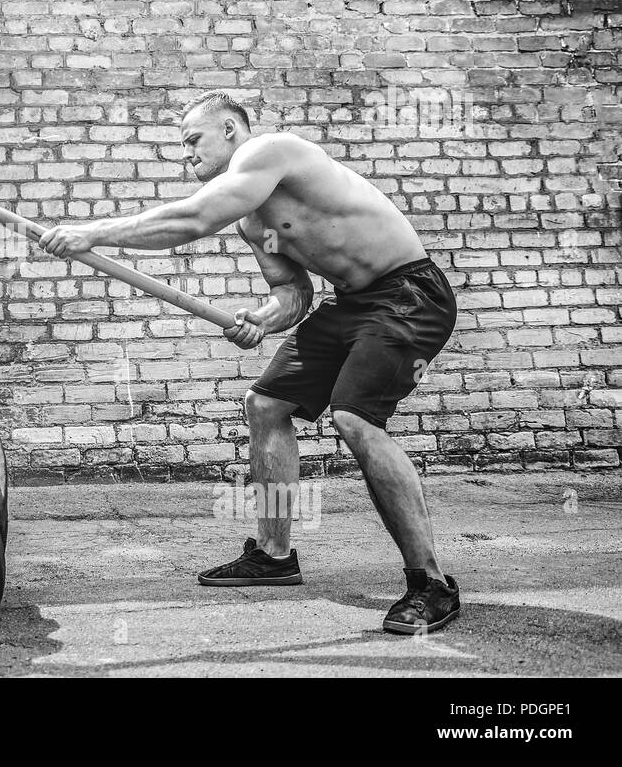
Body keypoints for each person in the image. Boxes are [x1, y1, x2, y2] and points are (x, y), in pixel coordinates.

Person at [39, 90, 461, 634]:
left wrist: (93, 232)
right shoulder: (252, 220)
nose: (185, 154)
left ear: (232, 131)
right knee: (264, 405)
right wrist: (263, 318)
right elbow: (294, 293)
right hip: (351, 303)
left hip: (408, 294)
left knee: (354, 417)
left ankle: (430, 583)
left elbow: (192, 220)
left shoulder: (271, 152)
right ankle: (275, 555)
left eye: (194, 140)